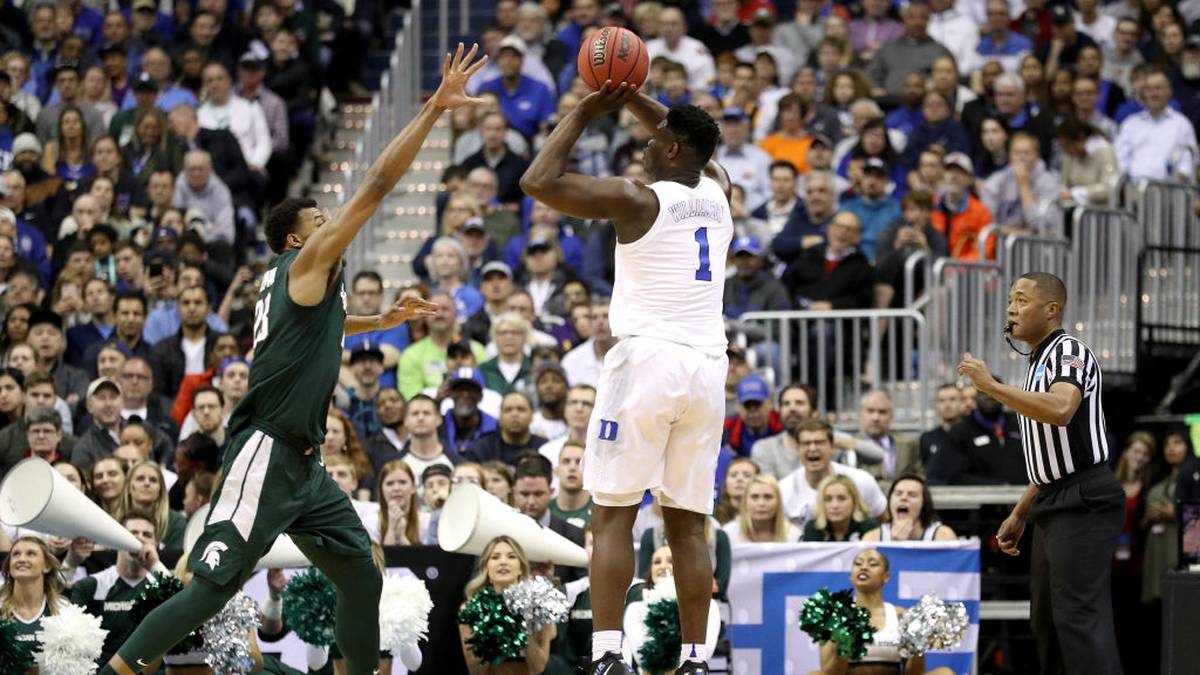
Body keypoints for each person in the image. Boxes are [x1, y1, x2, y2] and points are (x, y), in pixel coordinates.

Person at [94, 44, 482, 675]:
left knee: (360, 572)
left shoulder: (291, 286)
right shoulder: (306, 262)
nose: (335, 225)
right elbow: (380, 185)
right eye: (322, 220)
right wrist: (434, 107)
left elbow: (314, 332)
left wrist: (376, 322)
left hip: (304, 463)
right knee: (210, 589)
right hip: (266, 451)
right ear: (300, 239)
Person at [520, 84, 732, 673]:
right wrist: (636, 94)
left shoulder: (637, 199)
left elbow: (537, 181)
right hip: (707, 369)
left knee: (613, 511)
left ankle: (609, 653)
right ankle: (694, 659)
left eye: (653, 138)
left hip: (648, 363)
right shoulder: (721, 192)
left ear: (669, 150)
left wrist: (589, 108)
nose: (643, 142)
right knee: (689, 523)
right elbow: (695, 138)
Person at [957, 271, 1123, 675]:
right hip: (1052, 498)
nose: (1011, 309)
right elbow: (1049, 458)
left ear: (1051, 310)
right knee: (1046, 623)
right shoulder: (1036, 363)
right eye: (1010, 301)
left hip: (1085, 497)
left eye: (1021, 299)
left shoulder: (1069, 352)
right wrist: (1020, 512)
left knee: (1078, 619)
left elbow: (1061, 409)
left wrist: (991, 386)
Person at [70, 511, 171, 667]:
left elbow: (189, 611)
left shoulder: (163, 585)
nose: (139, 538)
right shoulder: (91, 586)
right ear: (117, 540)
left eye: (147, 535)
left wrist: (155, 566)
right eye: (132, 533)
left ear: (155, 544)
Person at [458, 536, 557, 674]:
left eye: (511, 556)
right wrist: (496, 627)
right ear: (486, 567)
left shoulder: (538, 606)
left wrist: (524, 626)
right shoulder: (470, 609)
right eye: (495, 557)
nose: (503, 562)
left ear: (521, 568)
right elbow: (475, 669)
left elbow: (539, 667)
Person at [819, 549, 926, 675]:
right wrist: (845, 645)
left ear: (886, 576)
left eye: (873, 564)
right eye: (858, 564)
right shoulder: (835, 617)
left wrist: (918, 647)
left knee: (944, 672)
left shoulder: (902, 616)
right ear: (851, 576)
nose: (863, 567)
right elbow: (828, 673)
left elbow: (915, 673)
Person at [779, 419, 888, 530]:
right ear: (797, 449)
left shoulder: (862, 481)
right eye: (806, 443)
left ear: (832, 447)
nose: (812, 448)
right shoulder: (783, 489)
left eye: (819, 442)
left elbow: (885, 523)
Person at [1, 536, 69, 655]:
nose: (21, 559)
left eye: (31, 554)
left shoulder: (64, 610)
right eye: (16, 554)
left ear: (47, 566)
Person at [863, 475, 958, 541]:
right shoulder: (872, 538)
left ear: (924, 503)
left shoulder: (943, 536)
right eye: (898, 493)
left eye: (912, 495)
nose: (903, 498)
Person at [722, 474, 800, 543]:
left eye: (768, 497)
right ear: (745, 501)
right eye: (754, 497)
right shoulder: (728, 534)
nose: (761, 503)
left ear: (778, 502)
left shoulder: (794, 536)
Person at [803, 474, 880, 541]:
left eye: (841, 498)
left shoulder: (868, 526)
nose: (835, 505)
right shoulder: (813, 528)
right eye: (828, 499)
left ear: (854, 501)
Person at [550, 442, 592, 529]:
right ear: (556, 470)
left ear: (589, 470)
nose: (572, 467)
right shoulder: (545, 511)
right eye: (566, 461)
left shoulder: (600, 512)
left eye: (579, 462)